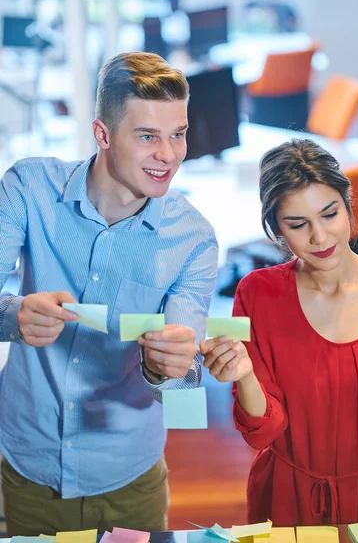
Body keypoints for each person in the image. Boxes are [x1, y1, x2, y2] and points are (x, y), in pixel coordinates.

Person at [0, 52, 218, 536]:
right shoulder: (28, 189)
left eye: (177, 134)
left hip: (129, 481)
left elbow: (183, 389)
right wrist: (13, 315)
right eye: (147, 136)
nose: (169, 154)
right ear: (102, 135)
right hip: (28, 465)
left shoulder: (194, 239)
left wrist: (171, 367)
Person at [200, 139, 358, 526]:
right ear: (276, 230)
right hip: (284, 496)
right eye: (298, 224)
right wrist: (245, 376)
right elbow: (263, 432)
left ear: (348, 205)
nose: (320, 238)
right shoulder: (256, 293)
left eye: (330, 215)